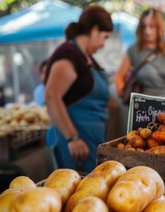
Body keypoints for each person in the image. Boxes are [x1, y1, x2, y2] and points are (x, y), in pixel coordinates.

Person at [44, 5, 113, 172]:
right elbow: (52, 96)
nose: (103, 44)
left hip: (91, 140)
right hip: (76, 146)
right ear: (95, 30)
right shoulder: (69, 54)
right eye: (105, 37)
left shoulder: (87, 58)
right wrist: (72, 137)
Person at [115, 9, 165, 98]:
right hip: (144, 104)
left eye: (151, 26)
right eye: (144, 26)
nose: (147, 31)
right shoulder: (134, 49)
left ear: (158, 27)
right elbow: (119, 76)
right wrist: (124, 93)